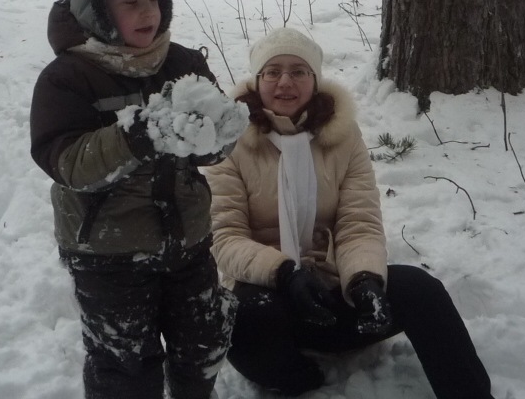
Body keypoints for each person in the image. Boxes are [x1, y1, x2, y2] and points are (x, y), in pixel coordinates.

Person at [204, 27, 496, 398]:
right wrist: (286, 274)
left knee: (422, 291)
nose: (285, 82)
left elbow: (359, 222)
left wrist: (364, 280)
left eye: (298, 71)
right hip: (269, 299)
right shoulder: (230, 140)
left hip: (334, 292)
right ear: (257, 81)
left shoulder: (342, 135)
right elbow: (224, 237)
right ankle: (300, 379)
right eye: (273, 72)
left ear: (315, 80)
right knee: (243, 320)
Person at [29, 0, 246, 399]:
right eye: (130, 2)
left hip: (187, 240)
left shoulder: (182, 61)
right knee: (125, 366)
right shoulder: (67, 78)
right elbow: (68, 162)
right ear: (94, 11)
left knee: (202, 343)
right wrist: (137, 135)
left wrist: (219, 135)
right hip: (108, 254)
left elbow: (206, 152)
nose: (148, 12)